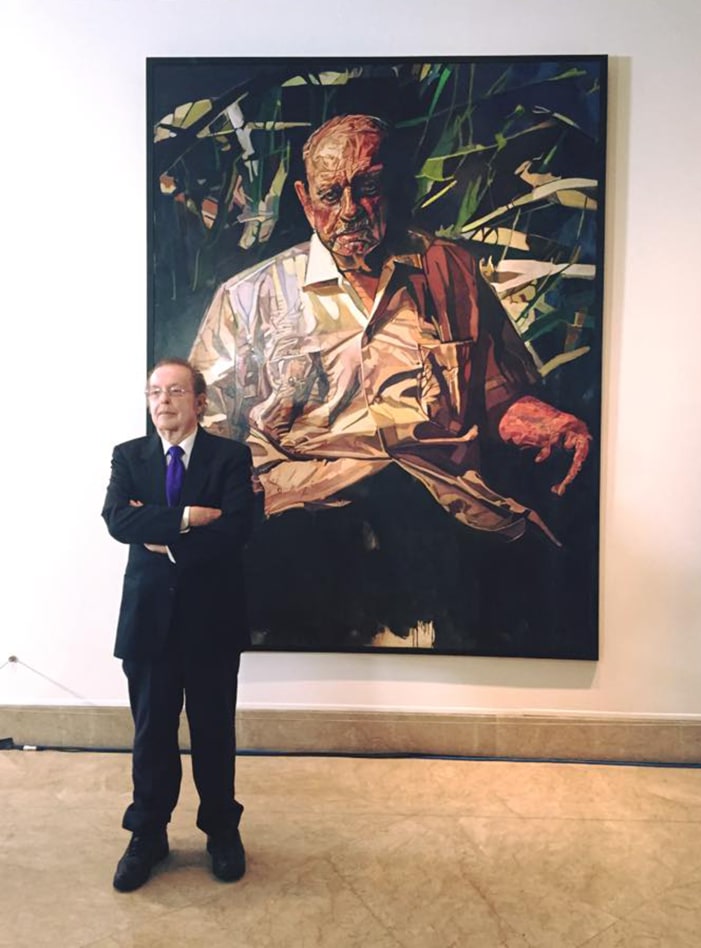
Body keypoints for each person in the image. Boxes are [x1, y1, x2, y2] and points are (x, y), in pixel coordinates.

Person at [189, 114, 593, 652]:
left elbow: (496, 393)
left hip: (442, 498)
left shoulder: (450, 272)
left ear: (396, 186)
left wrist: (544, 421)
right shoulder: (247, 297)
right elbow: (207, 428)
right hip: (305, 507)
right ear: (307, 202)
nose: (350, 210)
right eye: (331, 195)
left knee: (546, 581)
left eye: (368, 187)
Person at [102, 357, 255, 891]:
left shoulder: (231, 457)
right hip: (148, 622)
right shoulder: (129, 457)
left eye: (174, 391)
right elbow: (118, 520)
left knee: (214, 732)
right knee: (151, 735)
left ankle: (221, 831)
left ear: (199, 401)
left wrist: (162, 538)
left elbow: (237, 528)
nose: (163, 401)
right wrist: (189, 518)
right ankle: (148, 833)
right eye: (155, 392)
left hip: (212, 621)